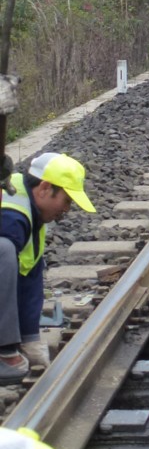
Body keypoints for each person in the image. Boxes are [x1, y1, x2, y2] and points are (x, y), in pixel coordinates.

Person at [1, 153, 96, 384]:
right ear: (44, 188)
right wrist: (8, 347)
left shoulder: (31, 213)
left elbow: (28, 275)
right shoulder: (11, 216)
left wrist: (29, 337)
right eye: (66, 201)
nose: (66, 210)